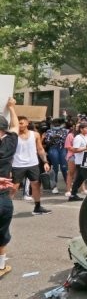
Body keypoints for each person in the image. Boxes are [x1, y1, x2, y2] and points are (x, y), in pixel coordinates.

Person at [12, 116, 52, 215]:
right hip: (17, 164)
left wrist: (45, 162)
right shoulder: (14, 135)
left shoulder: (35, 135)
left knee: (36, 185)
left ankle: (37, 208)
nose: (19, 125)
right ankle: (6, 208)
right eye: (18, 123)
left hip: (33, 164)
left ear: (27, 123)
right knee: (14, 188)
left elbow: (40, 149)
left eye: (21, 123)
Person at [0, 97, 19, 279]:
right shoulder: (9, 144)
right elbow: (14, 127)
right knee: (2, 232)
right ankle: (1, 265)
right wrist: (11, 107)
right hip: (3, 196)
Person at [68, 122, 87, 202]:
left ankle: (73, 195)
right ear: (81, 129)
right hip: (81, 161)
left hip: (86, 160)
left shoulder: (86, 137)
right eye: (86, 128)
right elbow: (75, 150)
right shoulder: (78, 138)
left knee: (79, 179)